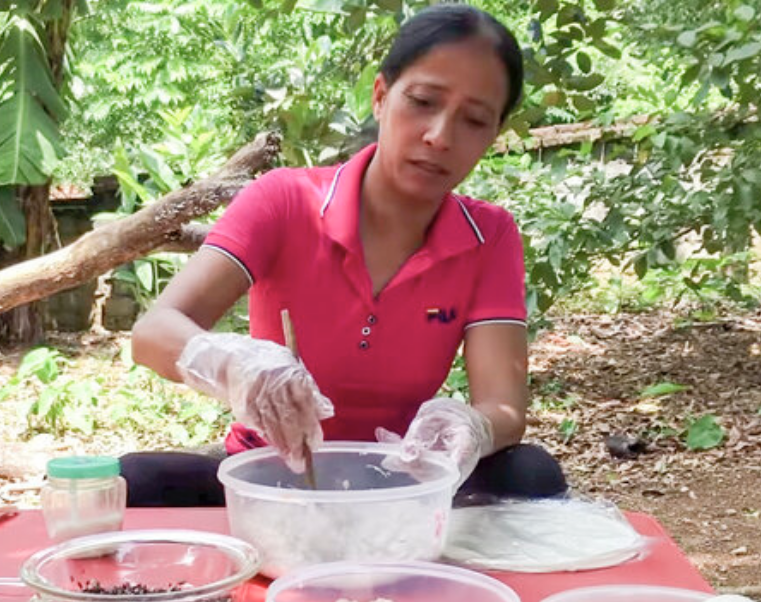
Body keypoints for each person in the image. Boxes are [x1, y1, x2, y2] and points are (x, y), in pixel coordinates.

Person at [124, 4, 566, 507]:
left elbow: (504, 407)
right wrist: (235, 365)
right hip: (276, 475)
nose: (440, 136)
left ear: (494, 135)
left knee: (531, 474)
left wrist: (468, 427)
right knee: (135, 480)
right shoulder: (285, 200)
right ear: (380, 97)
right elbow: (153, 333)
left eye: (474, 120)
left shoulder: (489, 234)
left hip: (402, 482)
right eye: (422, 101)